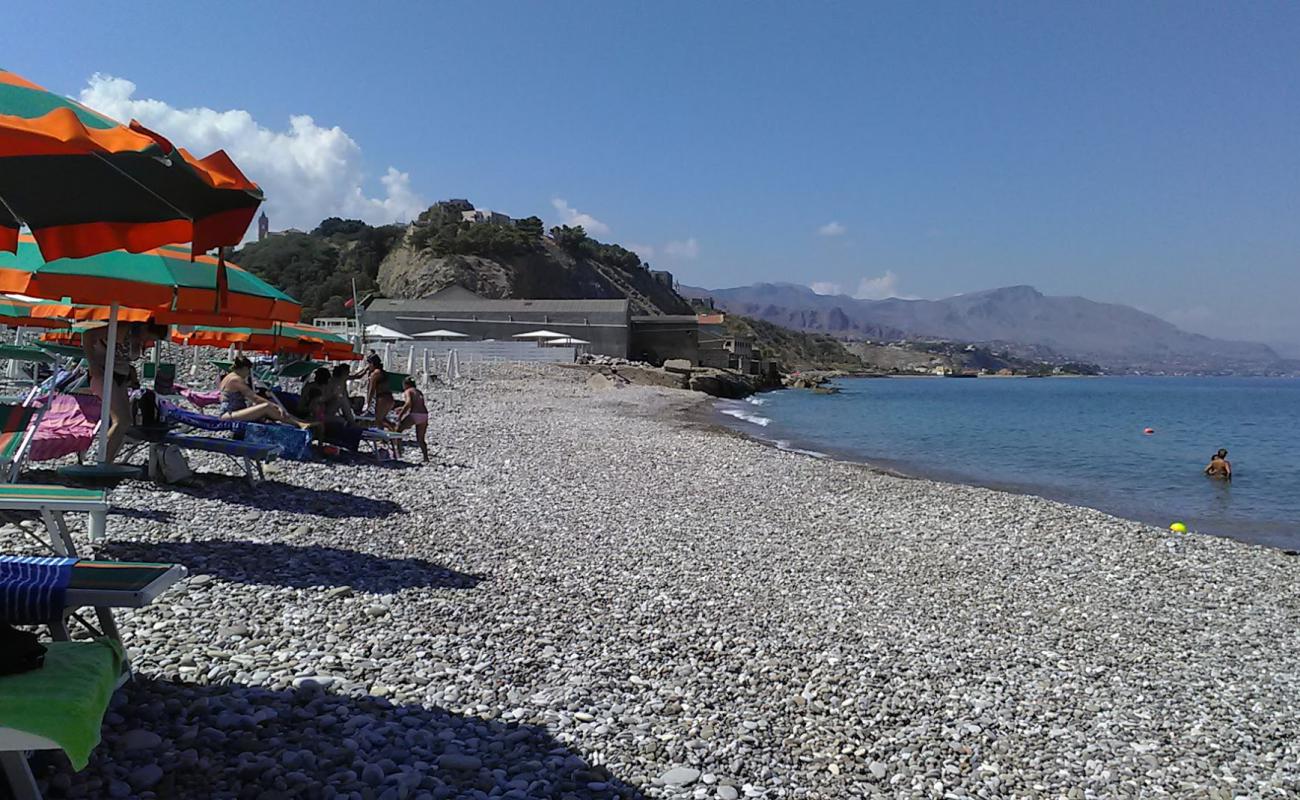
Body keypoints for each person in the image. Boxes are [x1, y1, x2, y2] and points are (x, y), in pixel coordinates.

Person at [82, 321, 136, 462]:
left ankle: (105, 460)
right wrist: (92, 364)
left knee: (125, 421)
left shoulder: (137, 337)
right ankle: (102, 460)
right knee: (121, 420)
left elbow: (124, 359)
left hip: (120, 376)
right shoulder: (123, 328)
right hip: (104, 373)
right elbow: (87, 335)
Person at [219, 356, 315, 428]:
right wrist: (277, 406)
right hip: (229, 414)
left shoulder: (229, 377)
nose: (248, 374)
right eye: (248, 371)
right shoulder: (236, 379)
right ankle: (298, 423)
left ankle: (297, 421)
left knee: (266, 407)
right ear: (245, 368)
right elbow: (254, 397)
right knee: (266, 406)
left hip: (232, 412)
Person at [395, 376, 430, 462]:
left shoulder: (408, 391)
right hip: (424, 415)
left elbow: (408, 403)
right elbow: (417, 404)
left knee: (397, 431)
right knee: (420, 439)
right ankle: (426, 457)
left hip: (415, 415)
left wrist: (401, 415)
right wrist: (402, 408)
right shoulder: (418, 391)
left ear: (406, 385)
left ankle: (398, 453)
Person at [363, 353, 395, 428]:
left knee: (378, 420)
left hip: (382, 398)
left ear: (372, 363)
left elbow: (371, 390)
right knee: (382, 419)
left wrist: (368, 403)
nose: (367, 366)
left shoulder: (375, 374)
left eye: (368, 364)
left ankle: (394, 431)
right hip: (389, 398)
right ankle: (388, 435)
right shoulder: (382, 372)